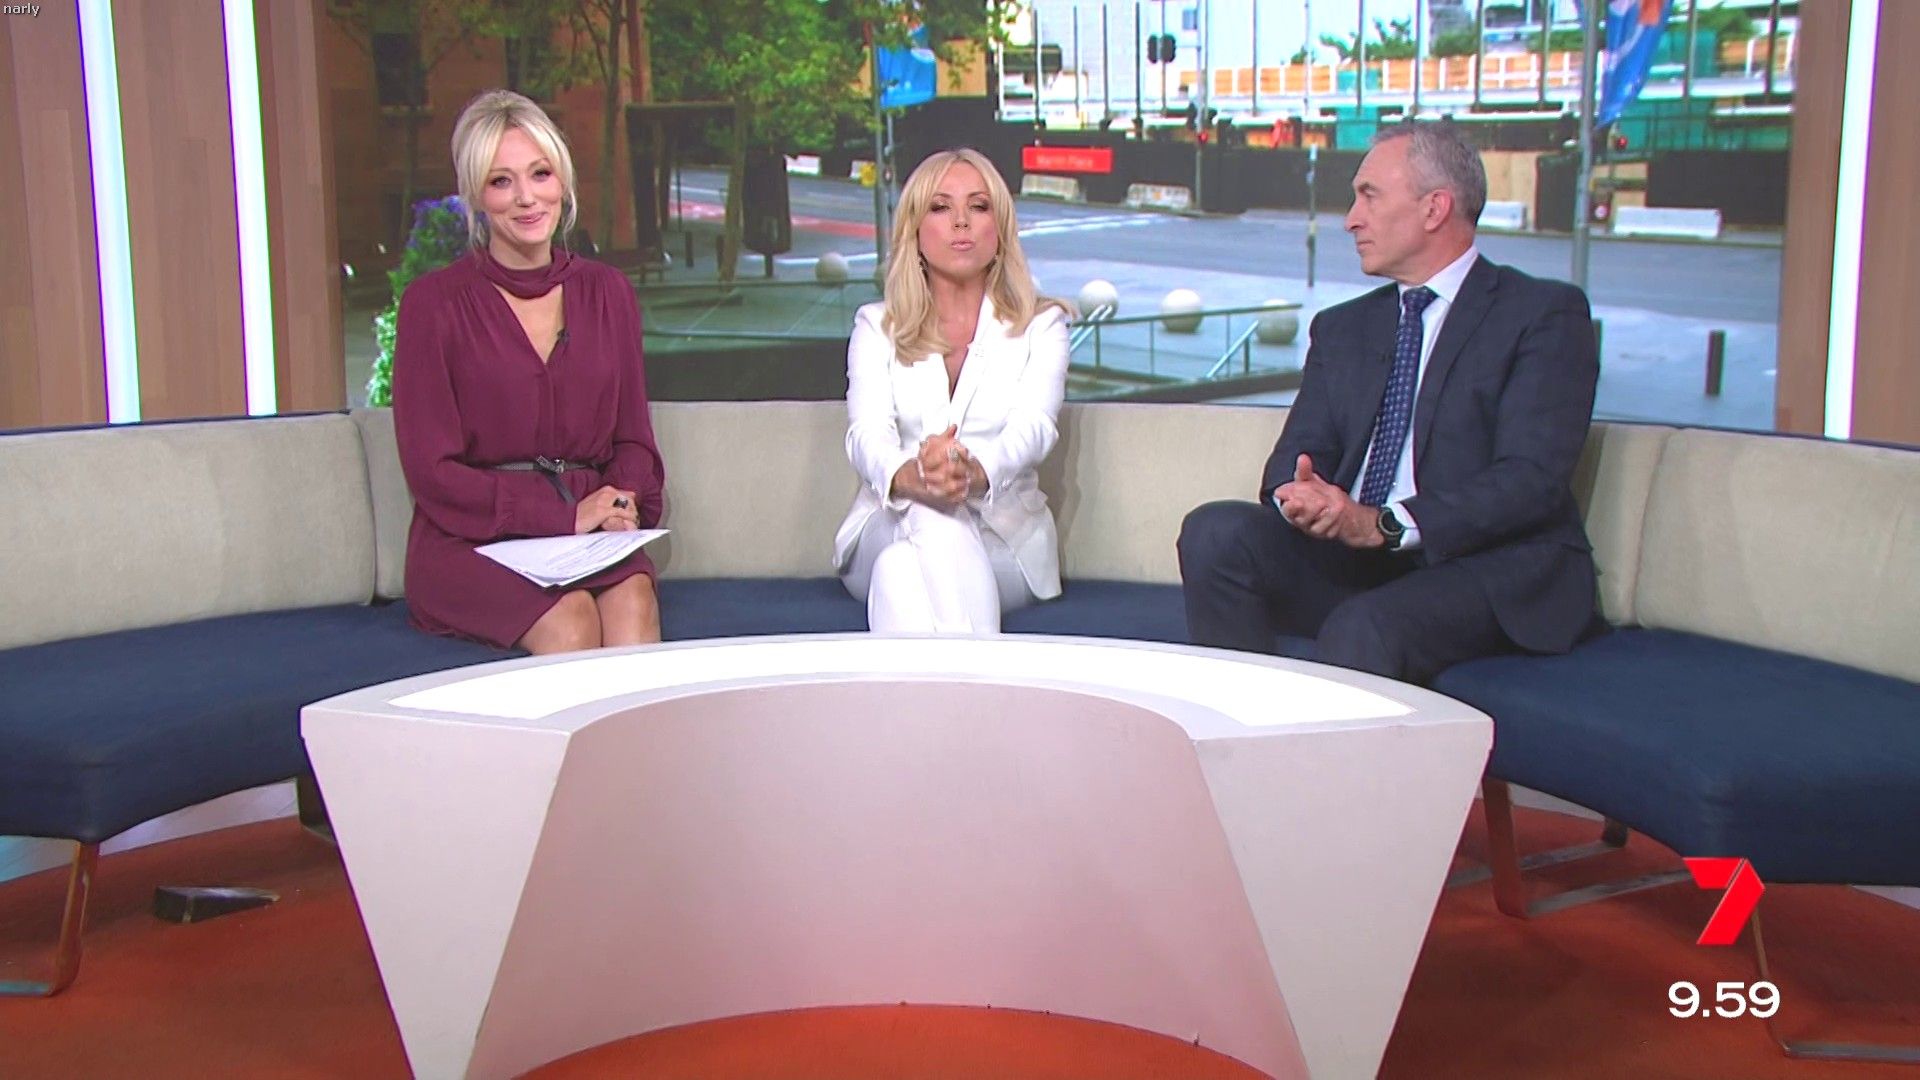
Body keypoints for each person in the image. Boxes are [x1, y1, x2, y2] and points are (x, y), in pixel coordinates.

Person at [1177, 121, 1601, 684]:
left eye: (1369, 196)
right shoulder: (1344, 327)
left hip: (1481, 566)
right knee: (1215, 532)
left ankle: (1319, 745)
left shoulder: (1541, 314)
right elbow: (1293, 461)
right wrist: (1305, 500)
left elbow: (1530, 480)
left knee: (1365, 626)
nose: (1351, 219)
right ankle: (1244, 721)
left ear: (1434, 208)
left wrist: (1386, 524)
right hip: (1355, 558)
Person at [393, 90, 666, 654]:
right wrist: (560, 515)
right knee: (571, 617)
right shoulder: (433, 305)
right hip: (473, 538)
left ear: (562, 180)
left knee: (632, 598)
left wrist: (621, 500)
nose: (526, 197)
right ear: (476, 195)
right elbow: (432, 471)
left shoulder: (608, 292)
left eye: (540, 174)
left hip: (589, 532)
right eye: (501, 181)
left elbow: (633, 439)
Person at [833, 148, 1072, 633]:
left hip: (1004, 538)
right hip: (888, 523)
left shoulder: (1042, 325)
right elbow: (866, 435)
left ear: (999, 228)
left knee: (901, 571)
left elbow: (1035, 429)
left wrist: (972, 474)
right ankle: (979, 673)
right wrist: (913, 478)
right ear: (915, 231)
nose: (961, 221)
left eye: (978, 206)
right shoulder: (877, 325)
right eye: (940, 207)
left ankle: (926, 684)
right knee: (933, 514)